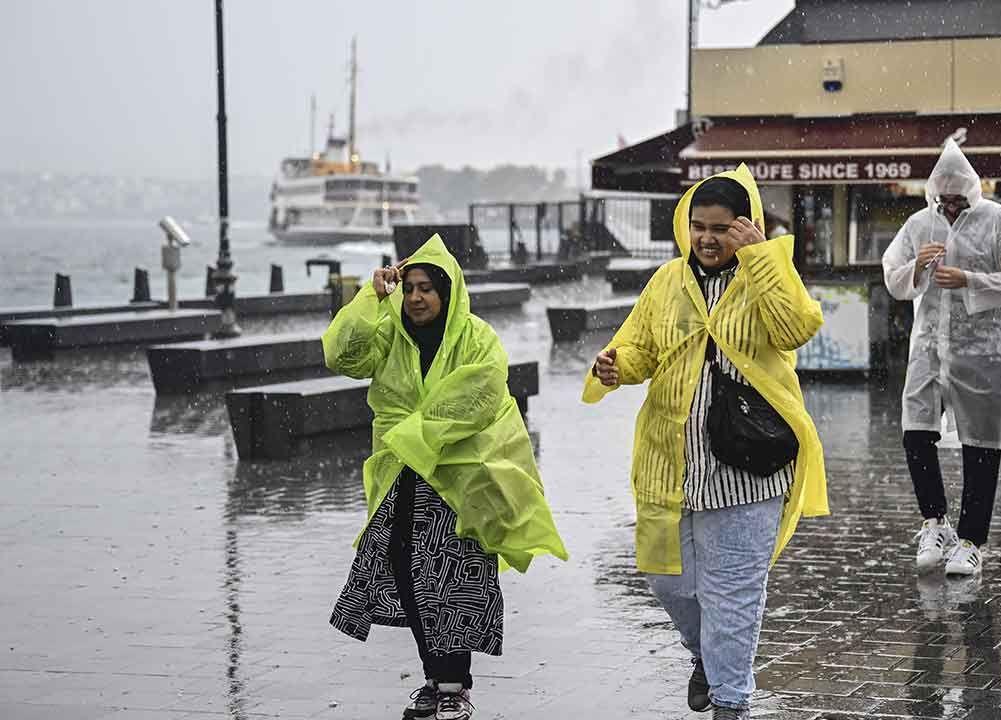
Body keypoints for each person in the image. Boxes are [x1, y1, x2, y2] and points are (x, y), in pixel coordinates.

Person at [582, 165, 827, 720]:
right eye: (699, 226)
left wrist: (763, 257)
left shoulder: (767, 271)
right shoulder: (668, 280)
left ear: (746, 226)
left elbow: (796, 328)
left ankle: (731, 701)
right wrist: (616, 366)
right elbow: (641, 346)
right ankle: (709, 657)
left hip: (750, 465)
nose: (708, 238)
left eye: (721, 227)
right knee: (665, 580)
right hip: (670, 462)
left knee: (734, 594)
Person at [324, 237, 568, 720]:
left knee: (455, 577)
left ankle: (454, 684)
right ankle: (434, 678)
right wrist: (368, 299)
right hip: (400, 471)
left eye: (427, 289)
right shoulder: (389, 332)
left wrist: (417, 433)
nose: (416, 298)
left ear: (448, 292)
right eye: (409, 288)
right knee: (405, 570)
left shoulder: (477, 337)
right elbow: (341, 357)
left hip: (461, 476)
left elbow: (479, 392)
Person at [881, 139, 1001, 577]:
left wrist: (968, 279)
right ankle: (935, 520)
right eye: (942, 199)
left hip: (983, 351)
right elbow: (893, 274)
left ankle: (972, 541)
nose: (948, 207)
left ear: (971, 193)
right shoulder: (917, 224)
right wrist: (916, 269)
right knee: (916, 432)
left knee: (981, 446)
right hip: (928, 346)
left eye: (956, 199)